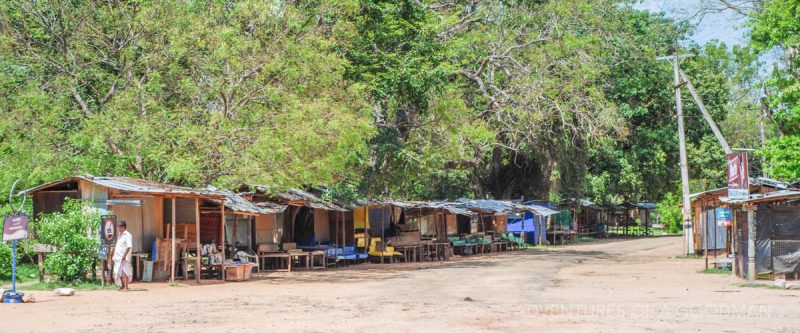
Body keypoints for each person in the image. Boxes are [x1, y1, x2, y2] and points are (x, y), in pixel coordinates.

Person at [112, 220, 133, 291]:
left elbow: (129, 246)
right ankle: (122, 286)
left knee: (125, 271)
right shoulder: (120, 235)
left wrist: (124, 256)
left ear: (123, 227)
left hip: (124, 257)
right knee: (118, 272)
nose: (118, 228)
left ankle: (126, 287)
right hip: (118, 257)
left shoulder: (127, 235)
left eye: (119, 227)